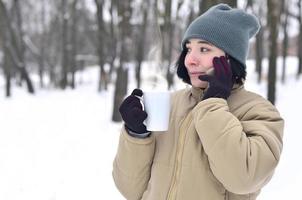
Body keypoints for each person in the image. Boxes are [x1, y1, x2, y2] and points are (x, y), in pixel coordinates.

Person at [112, 3, 284, 200]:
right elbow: (130, 190)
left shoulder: (259, 112)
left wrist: (213, 104)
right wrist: (137, 135)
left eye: (204, 49)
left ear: (230, 59)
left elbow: (244, 179)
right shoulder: (172, 104)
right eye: (188, 49)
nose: (190, 60)